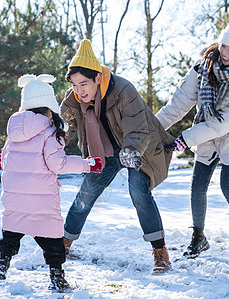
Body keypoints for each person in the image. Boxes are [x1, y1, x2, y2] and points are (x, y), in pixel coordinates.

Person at [156, 16, 229, 261]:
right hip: (208, 128)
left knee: (228, 185)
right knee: (197, 185)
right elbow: (178, 105)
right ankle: (198, 238)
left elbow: (228, 121)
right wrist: (152, 130)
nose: (225, 52)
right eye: (223, 45)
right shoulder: (203, 68)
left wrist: (186, 138)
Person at [59, 39, 175, 274]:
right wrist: (45, 147)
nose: (79, 90)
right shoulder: (73, 101)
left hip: (138, 148)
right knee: (86, 194)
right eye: (74, 85)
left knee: (138, 191)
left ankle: (160, 252)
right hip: (104, 152)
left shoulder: (124, 90)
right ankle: (64, 243)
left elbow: (138, 127)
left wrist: (132, 151)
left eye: (84, 84)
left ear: (98, 78)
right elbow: (63, 130)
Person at [0, 74, 103, 292]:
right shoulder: (50, 132)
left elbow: (6, 158)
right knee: (52, 240)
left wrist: (2, 161)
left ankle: (1, 265)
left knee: (11, 234)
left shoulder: (13, 131)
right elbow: (58, 164)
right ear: (49, 107)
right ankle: (57, 276)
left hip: (15, 200)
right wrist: (87, 164)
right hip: (42, 202)